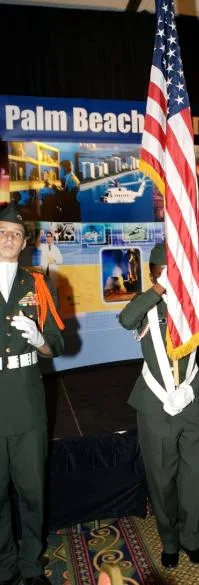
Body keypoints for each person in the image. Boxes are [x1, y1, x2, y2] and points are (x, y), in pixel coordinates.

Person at [119, 243, 199, 569]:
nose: (172, 278)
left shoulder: (197, 307)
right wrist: (159, 289)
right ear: (153, 274)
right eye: (164, 272)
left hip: (192, 405)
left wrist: (193, 390)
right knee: (162, 478)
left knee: (195, 476)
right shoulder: (146, 304)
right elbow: (126, 319)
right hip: (155, 404)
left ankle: (192, 538)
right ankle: (170, 541)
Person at [0, 202, 64, 585]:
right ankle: (4, 566)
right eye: (2, 232)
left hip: (26, 399)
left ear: (25, 243)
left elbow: (57, 345)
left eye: (16, 234)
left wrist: (39, 339)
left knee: (32, 491)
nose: (9, 238)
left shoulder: (38, 284)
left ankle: (31, 565)